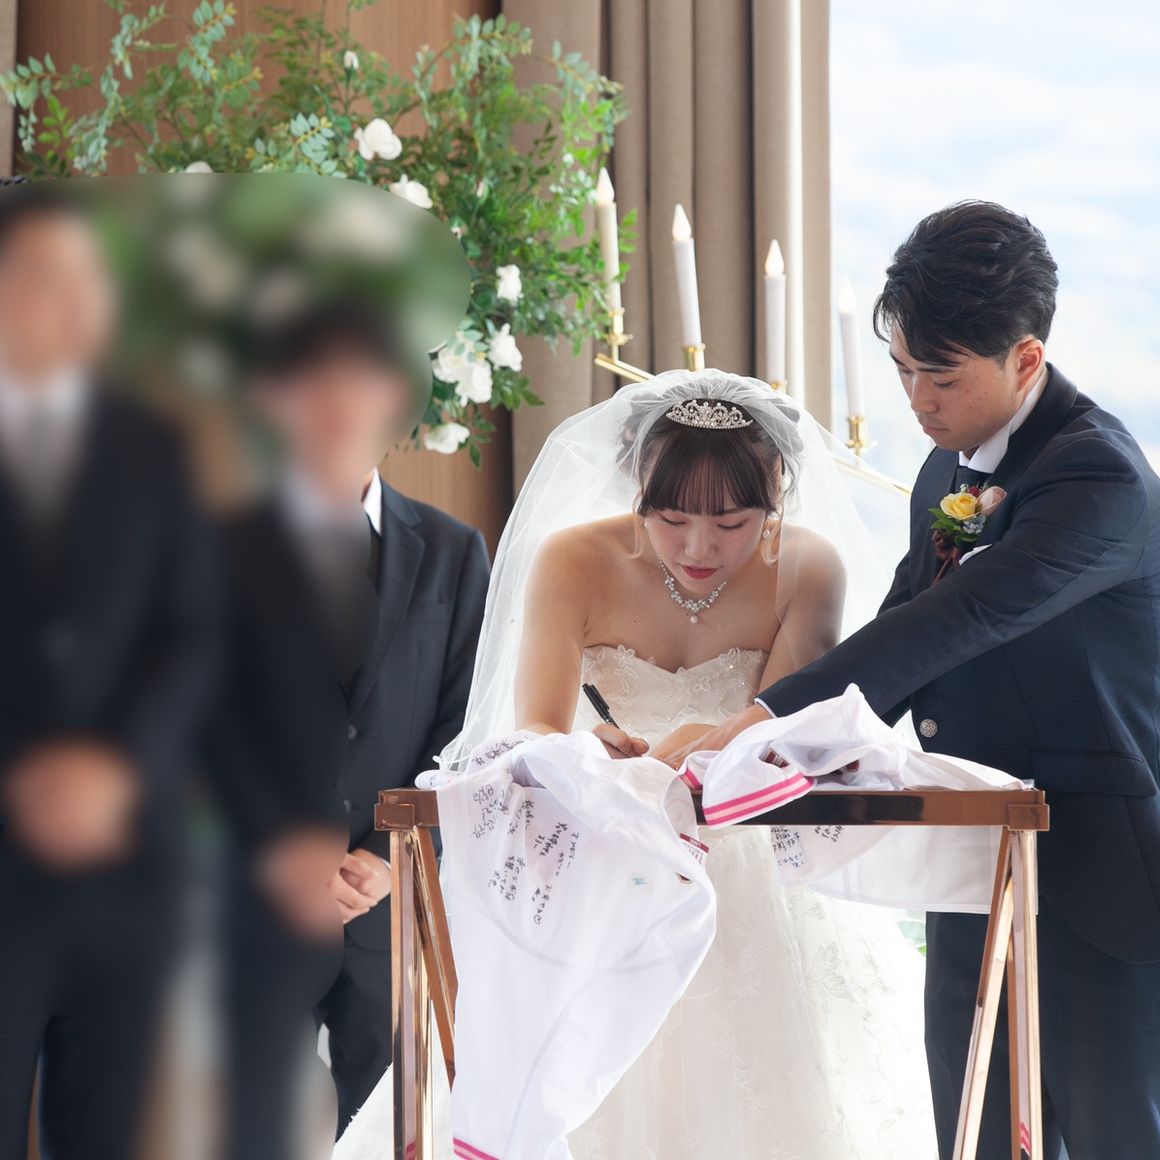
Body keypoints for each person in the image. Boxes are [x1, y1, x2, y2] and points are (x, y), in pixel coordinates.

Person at [365, 370, 934, 1159]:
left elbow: (783, 740)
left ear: (775, 495)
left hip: (746, 864)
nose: (700, 548)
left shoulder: (809, 570)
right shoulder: (572, 559)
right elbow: (536, 727)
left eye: (732, 523)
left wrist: (725, 738)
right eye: (671, 520)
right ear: (637, 490)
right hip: (606, 855)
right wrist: (584, 750)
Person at [694, 201, 1160, 1160]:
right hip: (973, 863)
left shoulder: (1099, 475)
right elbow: (899, 628)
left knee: (1114, 1133)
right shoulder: (943, 470)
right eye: (902, 369)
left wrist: (765, 719)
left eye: (940, 376)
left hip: (1099, 881)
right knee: (972, 1131)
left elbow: (962, 617)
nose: (916, 399)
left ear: (1025, 359)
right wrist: (769, 753)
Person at [207, 299, 491, 1155]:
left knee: (395, 1131)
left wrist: (385, 857)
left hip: (393, 907)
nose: (339, 405)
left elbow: (467, 728)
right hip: (251, 901)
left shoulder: (454, 552)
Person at [0, 181, 219, 1159]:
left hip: (124, 862)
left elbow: (194, 633)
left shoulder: (156, 447)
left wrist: (112, 769)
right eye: (45, 275)